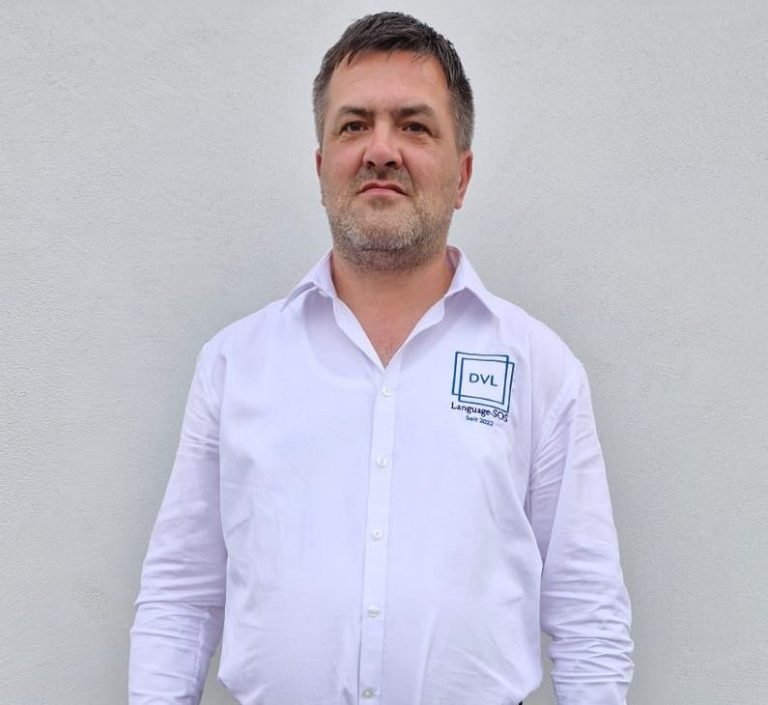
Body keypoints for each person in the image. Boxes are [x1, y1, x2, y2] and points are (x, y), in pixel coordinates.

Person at [129, 11, 633, 705]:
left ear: (462, 175)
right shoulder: (235, 365)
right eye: (354, 125)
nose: (381, 150)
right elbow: (181, 597)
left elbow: (587, 610)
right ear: (322, 167)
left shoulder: (540, 369)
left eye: (414, 126)